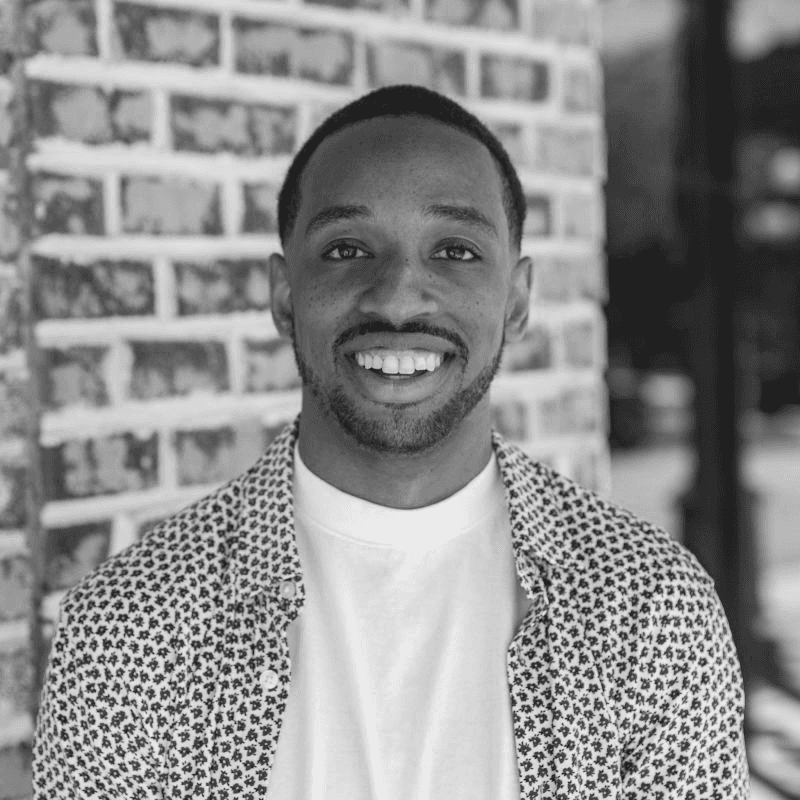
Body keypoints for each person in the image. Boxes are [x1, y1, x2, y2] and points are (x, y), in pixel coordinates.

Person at [32, 84, 749, 799]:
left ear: (518, 299)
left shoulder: (651, 609)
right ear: (285, 296)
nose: (399, 296)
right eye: (347, 248)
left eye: (455, 250)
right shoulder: (129, 629)